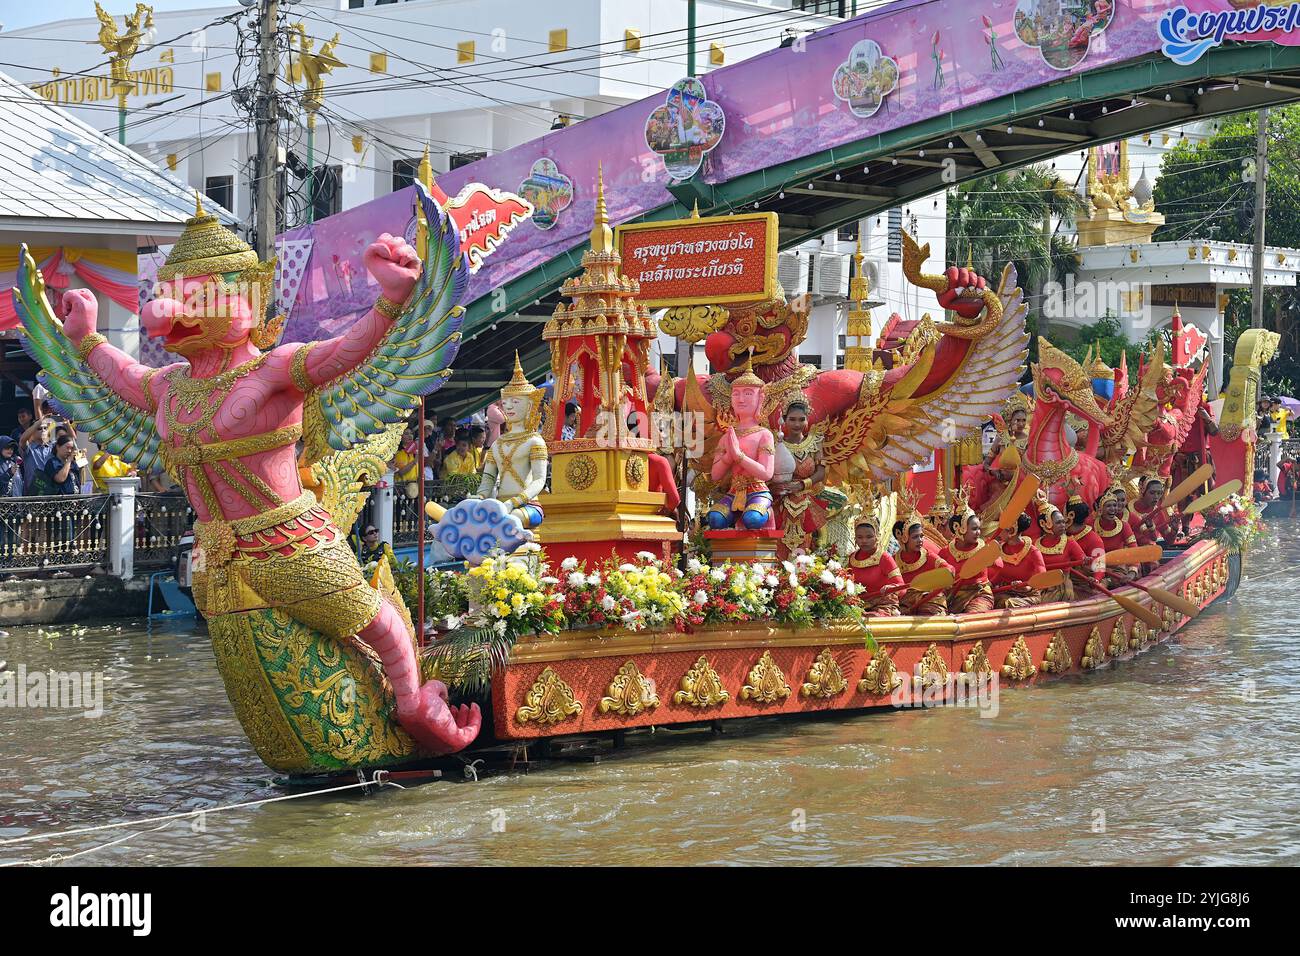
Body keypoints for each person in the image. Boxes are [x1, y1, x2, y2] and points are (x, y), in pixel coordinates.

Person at [891, 501, 952, 615]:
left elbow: (949, 569)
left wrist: (944, 575)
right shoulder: (894, 560)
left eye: (921, 536)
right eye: (915, 537)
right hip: (906, 602)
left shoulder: (928, 556)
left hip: (930, 599)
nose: (920, 540)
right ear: (903, 537)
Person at [938, 508, 996, 614]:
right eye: (974, 529)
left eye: (979, 528)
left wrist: (990, 558)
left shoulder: (984, 548)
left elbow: (999, 566)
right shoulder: (945, 552)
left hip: (979, 594)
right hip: (953, 596)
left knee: (972, 616)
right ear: (959, 528)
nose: (978, 532)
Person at [847, 508, 902, 617]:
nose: (864, 541)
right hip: (858, 606)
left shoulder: (884, 558)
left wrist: (891, 589)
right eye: (859, 537)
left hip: (882, 606)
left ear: (877, 536)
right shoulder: (852, 558)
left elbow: (901, 586)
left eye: (869, 537)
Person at [1034, 497, 1086, 602]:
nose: (1063, 525)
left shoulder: (1069, 542)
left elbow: (1084, 561)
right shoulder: (1035, 544)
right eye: (1058, 523)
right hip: (1039, 586)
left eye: (1063, 521)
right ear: (1045, 524)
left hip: (1062, 587)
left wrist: (1088, 561)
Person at [990, 512, 1046, 608]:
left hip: (1028, 595)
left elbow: (1042, 580)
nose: (999, 531)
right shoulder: (999, 550)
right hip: (1005, 592)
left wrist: (1027, 588)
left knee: (1008, 604)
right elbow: (1000, 575)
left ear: (1012, 531)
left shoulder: (1033, 552)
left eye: (1002, 528)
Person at [1093, 483, 1138, 583]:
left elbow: (1134, 551)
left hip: (1117, 568)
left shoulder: (1125, 526)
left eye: (1115, 505)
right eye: (1108, 506)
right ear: (1100, 509)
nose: (1113, 509)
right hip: (1096, 567)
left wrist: (1132, 573)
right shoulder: (1091, 524)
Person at [18, 416, 56, 496]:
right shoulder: (29, 449)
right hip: (32, 494)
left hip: (51, 493)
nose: (43, 430)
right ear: (32, 432)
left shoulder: (53, 448)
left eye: (45, 428)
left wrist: (67, 425)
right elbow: (22, 440)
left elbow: (70, 442)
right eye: (39, 429)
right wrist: (38, 422)